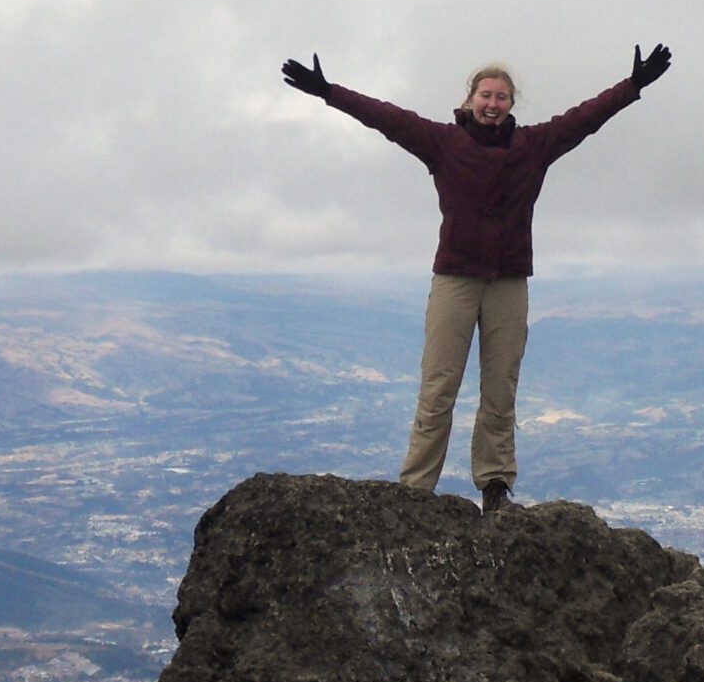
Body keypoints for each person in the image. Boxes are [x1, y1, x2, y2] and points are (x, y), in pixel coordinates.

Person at [280, 45, 672, 511]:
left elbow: (585, 118)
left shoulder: (533, 147)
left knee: (500, 390)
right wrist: (328, 92)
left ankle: (495, 485)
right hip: (456, 280)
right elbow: (386, 118)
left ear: (512, 103)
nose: (492, 103)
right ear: (470, 100)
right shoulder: (444, 143)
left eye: (502, 97)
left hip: (508, 281)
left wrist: (633, 87)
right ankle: (415, 491)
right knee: (438, 389)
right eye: (485, 95)